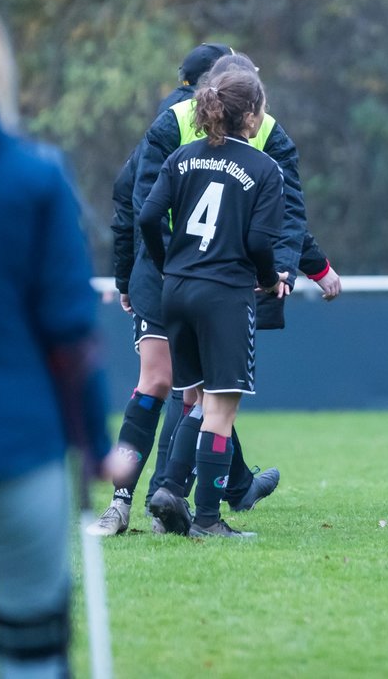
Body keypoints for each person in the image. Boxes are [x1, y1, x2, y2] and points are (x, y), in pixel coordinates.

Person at [90, 47, 341, 536]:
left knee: (190, 390)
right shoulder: (172, 124)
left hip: (184, 271)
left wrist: (295, 266)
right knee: (167, 383)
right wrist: (140, 273)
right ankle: (126, 503)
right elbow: (141, 201)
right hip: (191, 271)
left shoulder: (269, 134)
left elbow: (289, 213)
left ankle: (168, 497)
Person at [0, 7, 123, 676]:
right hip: (16, 451)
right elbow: (70, 337)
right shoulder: (35, 178)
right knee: (32, 654)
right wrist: (100, 449)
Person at [140, 67, 287, 538]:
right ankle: (207, 520)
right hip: (223, 293)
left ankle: (167, 490)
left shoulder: (182, 157)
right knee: (222, 409)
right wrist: (268, 279)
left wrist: (169, 264)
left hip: (177, 290)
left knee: (196, 399)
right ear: (253, 114)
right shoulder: (265, 169)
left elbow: (147, 216)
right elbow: (262, 243)